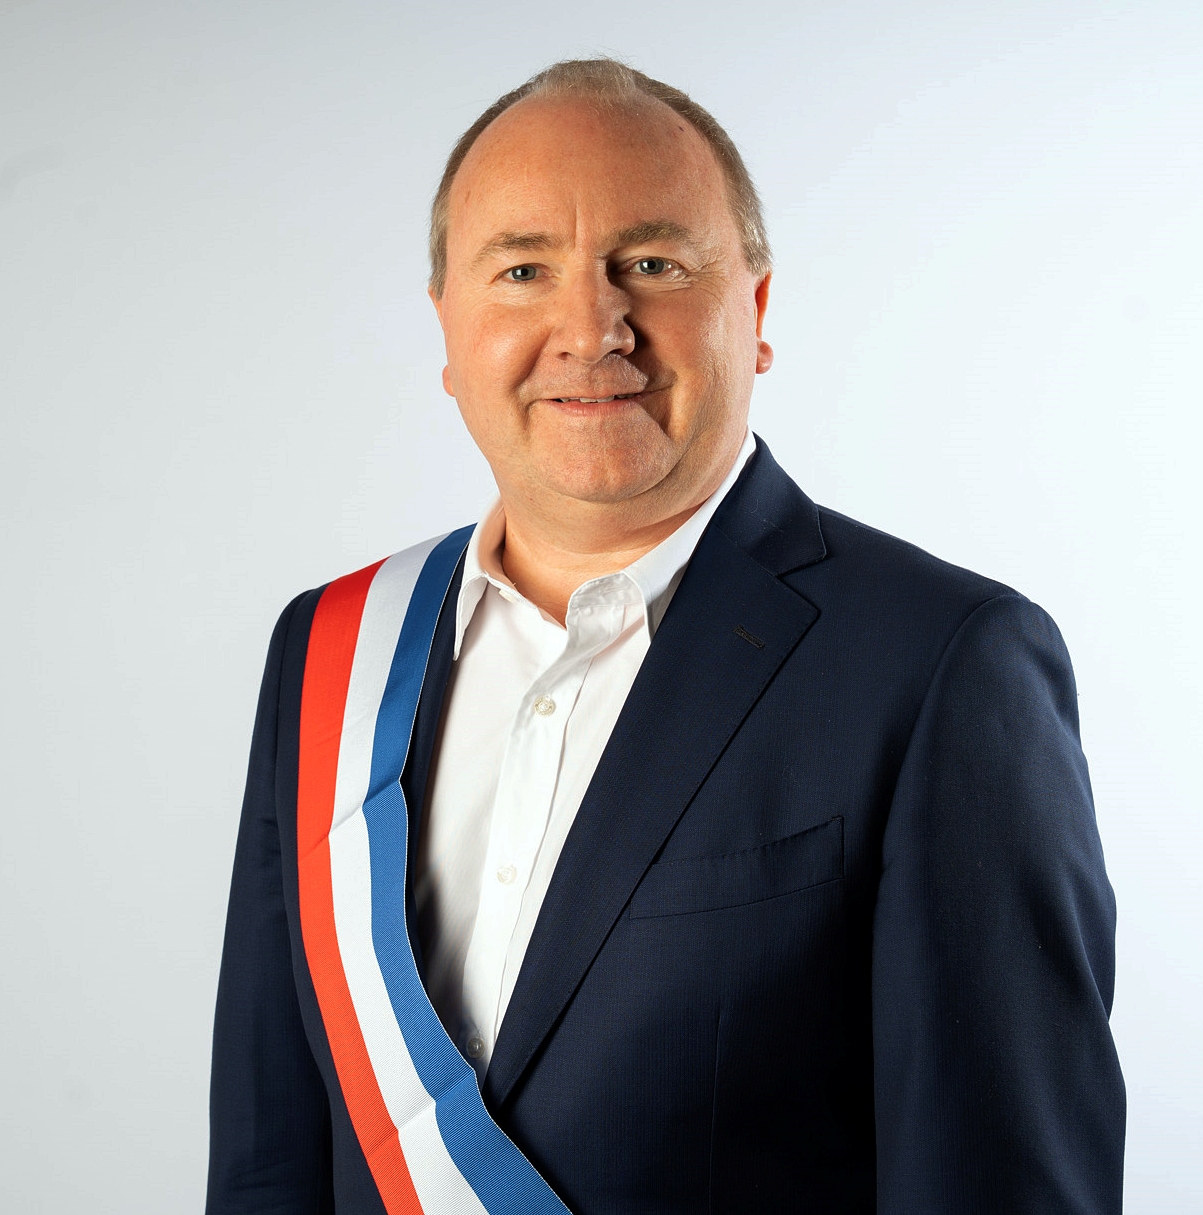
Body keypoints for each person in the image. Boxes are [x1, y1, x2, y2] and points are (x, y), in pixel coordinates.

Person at [206, 59, 1125, 1214]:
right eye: (523, 270)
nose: (591, 329)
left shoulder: (943, 664)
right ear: (447, 326)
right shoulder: (330, 653)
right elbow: (270, 1164)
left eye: (651, 265)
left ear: (757, 312)